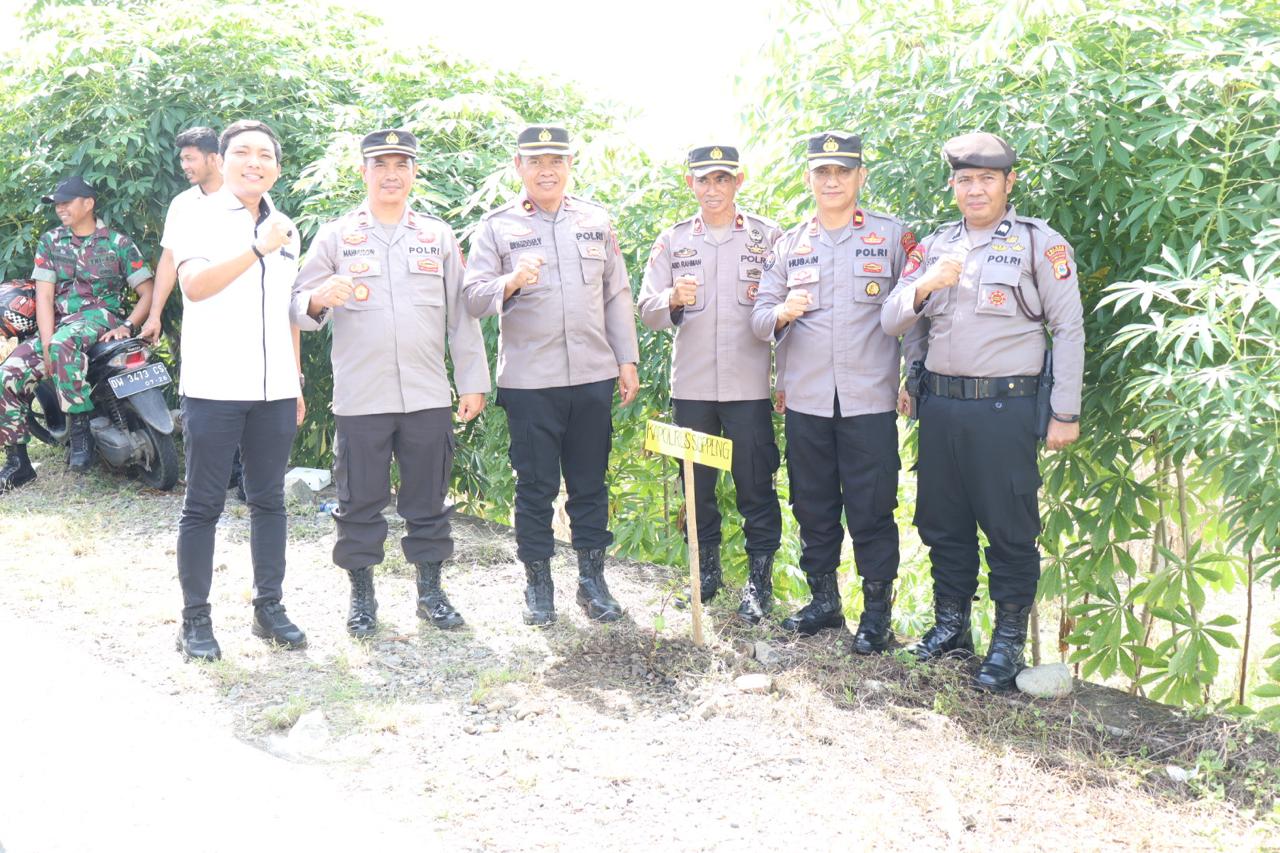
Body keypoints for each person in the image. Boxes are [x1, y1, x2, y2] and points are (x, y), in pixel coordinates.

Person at [880, 131, 1084, 691]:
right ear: (953, 185)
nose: (975, 189)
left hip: (1005, 409)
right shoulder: (934, 246)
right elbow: (896, 321)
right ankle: (951, 628)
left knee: (1009, 528)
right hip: (941, 407)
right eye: (965, 179)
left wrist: (1065, 412)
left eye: (987, 179)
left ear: (1008, 183)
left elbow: (1068, 329)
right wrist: (926, 285)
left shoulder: (1040, 244)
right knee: (942, 522)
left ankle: (1007, 643)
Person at [293, 129, 491, 637]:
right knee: (359, 500)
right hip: (361, 396)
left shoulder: (437, 236)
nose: (391, 174)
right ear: (363, 172)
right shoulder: (336, 236)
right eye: (380, 165)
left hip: (427, 393)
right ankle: (362, 598)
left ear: (414, 174)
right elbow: (296, 305)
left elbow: (461, 316)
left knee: (429, 499)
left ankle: (430, 593)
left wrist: (472, 380)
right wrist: (319, 298)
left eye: (401, 165)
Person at [463, 124, 639, 626]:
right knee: (535, 487)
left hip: (592, 375)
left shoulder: (595, 220)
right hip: (530, 382)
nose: (546, 170)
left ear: (569, 165)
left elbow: (615, 294)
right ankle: (538, 585)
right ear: (518, 166)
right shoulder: (497, 227)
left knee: (590, 484)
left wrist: (626, 359)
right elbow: (472, 298)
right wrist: (511, 282)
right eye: (536, 161)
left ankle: (592, 582)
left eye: (556, 161)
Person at [750, 132, 913, 653]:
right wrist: (781, 313)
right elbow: (758, 318)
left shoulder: (892, 238)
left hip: (869, 398)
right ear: (809, 179)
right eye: (823, 172)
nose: (833, 180)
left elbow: (918, 312)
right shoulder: (789, 245)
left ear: (861, 176)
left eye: (843, 171)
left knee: (872, 506)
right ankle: (824, 602)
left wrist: (912, 374)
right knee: (812, 504)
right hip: (808, 400)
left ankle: (876, 615)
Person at [168, 119, 307, 661]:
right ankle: (194, 620)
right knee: (203, 505)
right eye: (243, 153)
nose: (255, 162)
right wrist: (255, 248)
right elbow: (194, 287)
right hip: (214, 386)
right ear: (221, 161)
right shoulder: (195, 214)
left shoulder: (285, 226)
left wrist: (296, 380)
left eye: (265, 155)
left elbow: (289, 311)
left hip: (275, 389)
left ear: (277, 168)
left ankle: (268, 607)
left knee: (269, 500)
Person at [636, 144, 783, 622]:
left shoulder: (768, 237)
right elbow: (646, 309)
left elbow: (786, 313)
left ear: (739, 181)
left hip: (748, 390)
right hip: (693, 390)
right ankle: (706, 575)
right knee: (695, 488)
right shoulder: (674, 240)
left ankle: (759, 584)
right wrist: (671, 299)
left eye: (722, 178)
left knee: (755, 486)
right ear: (690, 184)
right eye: (704, 179)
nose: (713, 188)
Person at [0, 177, 154, 490]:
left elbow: (147, 292)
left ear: (89, 203)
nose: (60, 208)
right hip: (59, 323)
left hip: (100, 317)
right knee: (8, 374)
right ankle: (18, 463)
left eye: (66, 202)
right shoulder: (50, 241)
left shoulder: (118, 243)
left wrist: (127, 325)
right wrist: (45, 343)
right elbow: (44, 297)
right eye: (57, 203)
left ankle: (81, 430)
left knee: (61, 344)